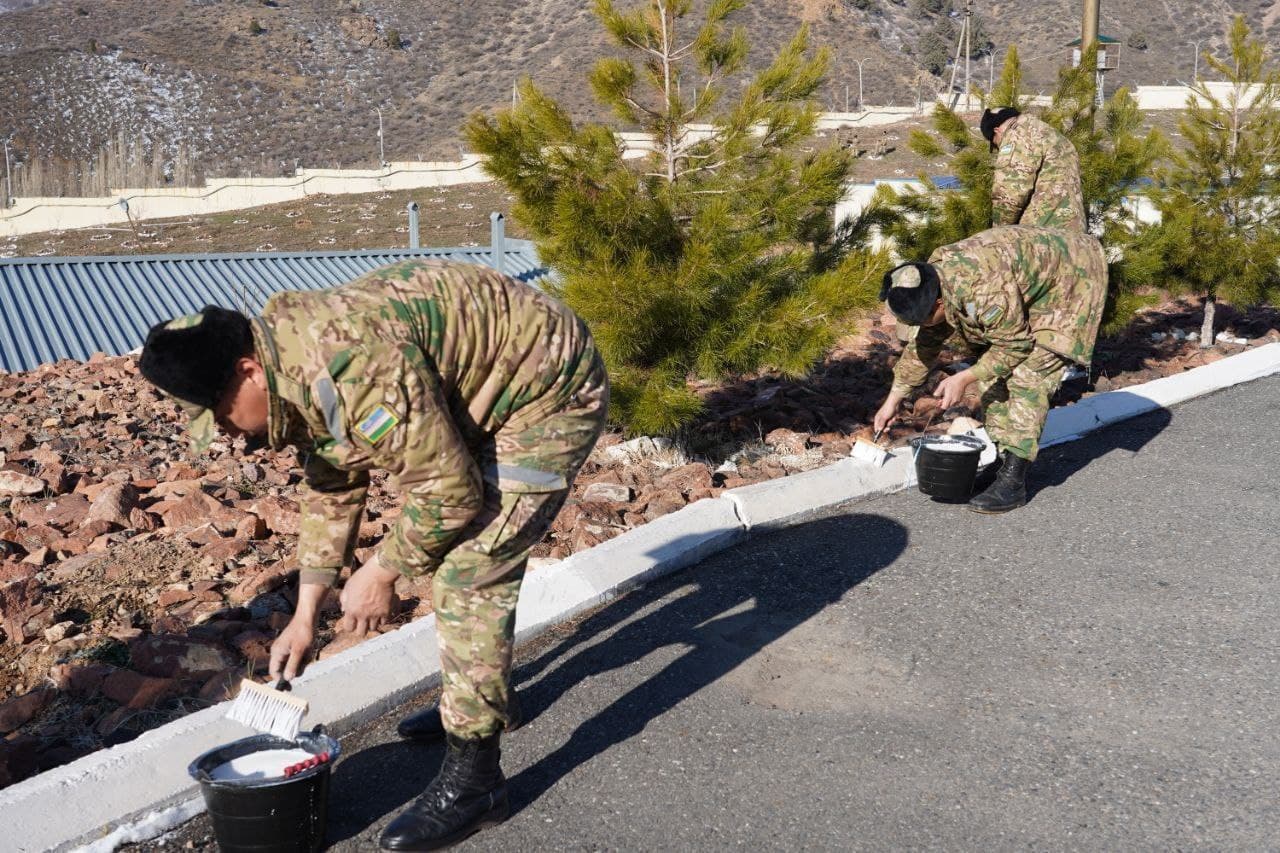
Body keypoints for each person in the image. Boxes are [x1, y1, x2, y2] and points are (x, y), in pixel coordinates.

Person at [138, 259, 608, 850]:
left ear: (248, 371)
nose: (228, 432)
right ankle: (481, 699)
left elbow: (449, 493)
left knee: (469, 571)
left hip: (549, 387)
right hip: (483, 388)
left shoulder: (351, 368)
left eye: (220, 414)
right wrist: (305, 615)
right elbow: (332, 483)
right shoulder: (289, 362)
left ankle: (476, 784)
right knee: (449, 547)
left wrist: (381, 571)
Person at [872, 225, 1107, 513]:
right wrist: (892, 401)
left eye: (922, 320)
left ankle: (1014, 479)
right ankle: (1002, 461)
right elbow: (923, 347)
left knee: (1028, 375)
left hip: (1072, 280)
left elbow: (1015, 346)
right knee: (990, 374)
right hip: (1028, 279)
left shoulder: (982, 289)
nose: (920, 327)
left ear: (939, 304)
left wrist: (963, 378)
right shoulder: (931, 280)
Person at [981, 106, 1087, 233]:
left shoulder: (1017, 135)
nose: (998, 147)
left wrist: (997, 233)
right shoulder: (1050, 133)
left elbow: (1009, 195)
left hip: (1043, 234)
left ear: (997, 131)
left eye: (996, 144)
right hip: (1075, 234)